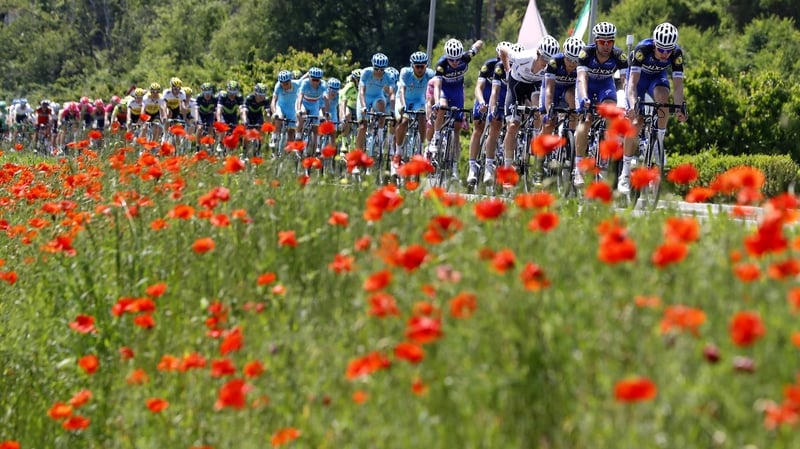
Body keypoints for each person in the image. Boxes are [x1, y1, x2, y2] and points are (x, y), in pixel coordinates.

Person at [618, 22, 687, 193]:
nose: (665, 54)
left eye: (668, 50)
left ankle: (658, 143)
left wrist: (679, 107)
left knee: (664, 99)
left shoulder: (676, 54)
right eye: (661, 50)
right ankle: (625, 174)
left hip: (657, 79)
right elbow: (632, 84)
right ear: (655, 44)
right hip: (638, 81)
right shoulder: (643, 50)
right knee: (636, 121)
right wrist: (633, 104)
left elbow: (678, 86)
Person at [574, 21, 629, 185]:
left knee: (611, 114)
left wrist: (628, 102)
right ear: (596, 41)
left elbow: (626, 82)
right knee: (586, 121)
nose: (606, 45)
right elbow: (581, 78)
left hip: (606, 86)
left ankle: (605, 156)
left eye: (610, 41)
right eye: (602, 42)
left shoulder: (619, 56)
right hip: (588, 86)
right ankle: (578, 168)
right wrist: (584, 98)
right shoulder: (586, 54)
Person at [497, 35, 559, 178]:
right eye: (544, 58)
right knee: (513, 125)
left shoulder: (550, 66)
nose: (546, 63)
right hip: (516, 86)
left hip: (534, 86)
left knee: (539, 108)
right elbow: (502, 49)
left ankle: (536, 138)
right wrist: (507, 70)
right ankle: (507, 166)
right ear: (537, 53)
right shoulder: (522, 57)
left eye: (550, 60)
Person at [428, 38, 485, 180]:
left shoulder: (465, 58)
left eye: (457, 59)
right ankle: (436, 136)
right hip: (444, 90)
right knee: (442, 106)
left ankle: (454, 167)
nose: (454, 63)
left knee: (457, 128)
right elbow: (437, 86)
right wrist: (436, 102)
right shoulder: (441, 65)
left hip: (458, 91)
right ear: (447, 57)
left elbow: (477, 46)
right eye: (451, 60)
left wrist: (479, 43)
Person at [466, 42, 510, 186]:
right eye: (500, 57)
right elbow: (479, 87)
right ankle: (472, 166)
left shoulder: (513, 68)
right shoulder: (489, 65)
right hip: (485, 96)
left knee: (497, 126)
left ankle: (495, 161)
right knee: (478, 127)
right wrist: (482, 102)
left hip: (501, 98)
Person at [394, 51, 436, 174]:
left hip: (419, 101)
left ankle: (422, 148)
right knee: (404, 121)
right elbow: (401, 90)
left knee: (423, 117)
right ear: (412, 66)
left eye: (422, 66)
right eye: (417, 66)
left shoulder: (430, 74)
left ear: (426, 66)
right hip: (404, 99)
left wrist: (433, 107)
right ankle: (397, 153)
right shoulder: (405, 73)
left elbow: (432, 94)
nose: (420, 69)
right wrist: (402, 105)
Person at [356, 53, 395, 153]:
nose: (379, 71)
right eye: (376, 69)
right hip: (365, 97)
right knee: (362, 127)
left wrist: (392, 110)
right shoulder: (366, 72)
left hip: (377, 97)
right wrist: (364, 107)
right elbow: (361, 92)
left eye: (382, 69)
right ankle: (357, 154)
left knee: (382, 105)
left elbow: (391, 94)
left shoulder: (388, 76)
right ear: (373, 67)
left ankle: (379, 137)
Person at [296, 66, 327, 153]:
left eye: (317, 80)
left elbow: (326, 99)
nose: (315, 82)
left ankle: (316, 147)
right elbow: (300, 97)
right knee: (302, 114)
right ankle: (298, 135)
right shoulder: (305, 83)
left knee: (315, 127)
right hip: (304, 102)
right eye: (313, 79)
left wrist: (326, 113)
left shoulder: (323, 85)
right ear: (309, 78)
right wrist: (298, 109)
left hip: (314, 103)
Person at [271, 70, 302, 144]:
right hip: (281, 106)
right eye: (282, 83)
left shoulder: (297, 84)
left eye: (286, 83)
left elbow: (306, 77)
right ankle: (274, 138)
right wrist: (274, 112)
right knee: (279, 118)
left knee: (291, 132)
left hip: (292, 109)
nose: (284, 86)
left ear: (290, 81)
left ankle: (287, 152)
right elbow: (273, 101)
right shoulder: (278, 86)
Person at [339, 69, 360, 150]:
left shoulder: (364, 86)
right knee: (347, 115)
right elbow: (343, 101)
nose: (359, 81)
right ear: (354, 80)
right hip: (349, 105)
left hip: (358, 107)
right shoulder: (350, 86)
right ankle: (344, 143)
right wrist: (343, 115)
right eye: (358, 80)